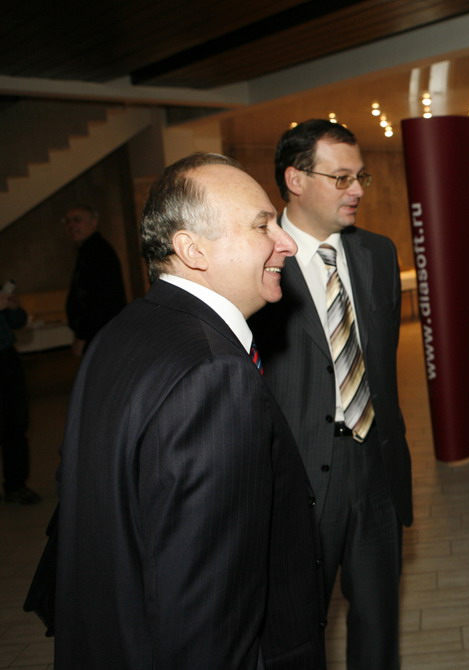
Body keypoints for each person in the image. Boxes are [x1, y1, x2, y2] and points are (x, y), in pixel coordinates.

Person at [54, 153, 326, 669]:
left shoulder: (122, 331)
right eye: (262, 225)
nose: (286, 242)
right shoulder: (214, 373)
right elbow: (207, 612)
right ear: (192, 249)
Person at [250, 119, 412, 669]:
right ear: (295, 180)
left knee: (378, 628)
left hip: (376, 467)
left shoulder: (377, 254)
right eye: (341, 178)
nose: (357, 189)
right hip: (298, 478)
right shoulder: (259, 261)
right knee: (298, 630)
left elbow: (382, 366)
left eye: (359, 176)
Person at [63, 205, 127, 356]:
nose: (71, 225)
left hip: (100, 332)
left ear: (94, 222)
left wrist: (82, 336)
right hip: (99, 331)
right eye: (67, 221)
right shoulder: (89, 250)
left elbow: (98, 299)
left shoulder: (98, 252)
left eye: (77, 220)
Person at [0, 282, 40, 504]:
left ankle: (16, 485)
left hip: (7, 359)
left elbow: (17, 322)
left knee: (16, 425)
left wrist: (13, 307)